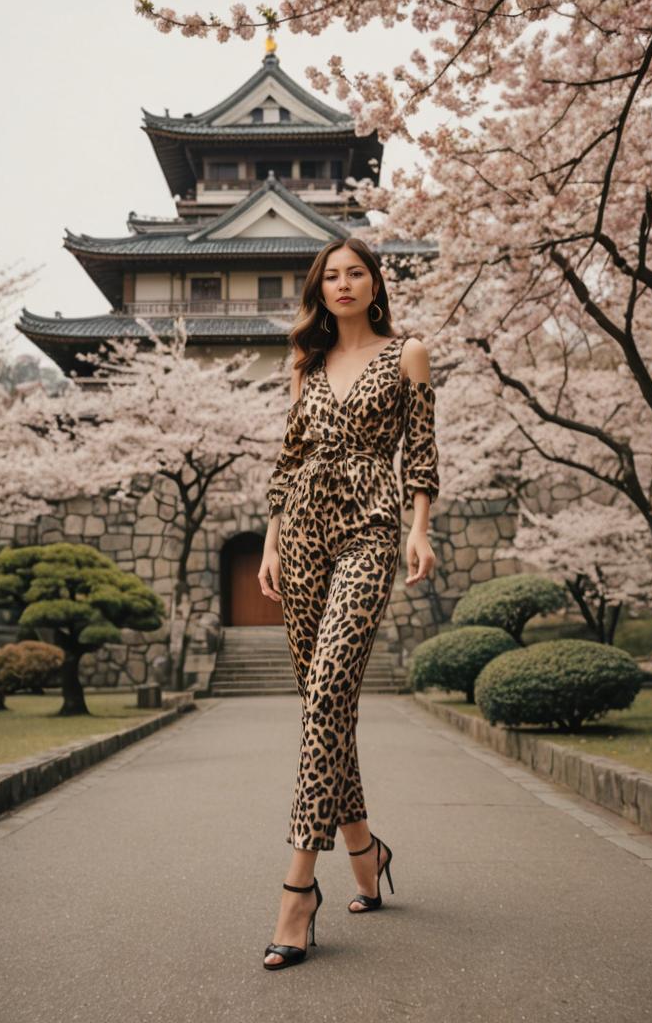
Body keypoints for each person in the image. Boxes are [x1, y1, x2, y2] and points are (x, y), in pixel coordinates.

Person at [257, 236, 440, 970]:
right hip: (299, 532)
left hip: (370, 526)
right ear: (319, 288)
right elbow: (290, 455)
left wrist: (419, 530)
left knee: (331, 688)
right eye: (329, 275)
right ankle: (366, 846)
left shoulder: (409, 354)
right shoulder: (304, 363)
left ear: (374, 282)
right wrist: (271, 540)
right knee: (325, 708)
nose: (342, 283)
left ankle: (299, 889)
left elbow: (421, 450)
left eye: (354, 272)